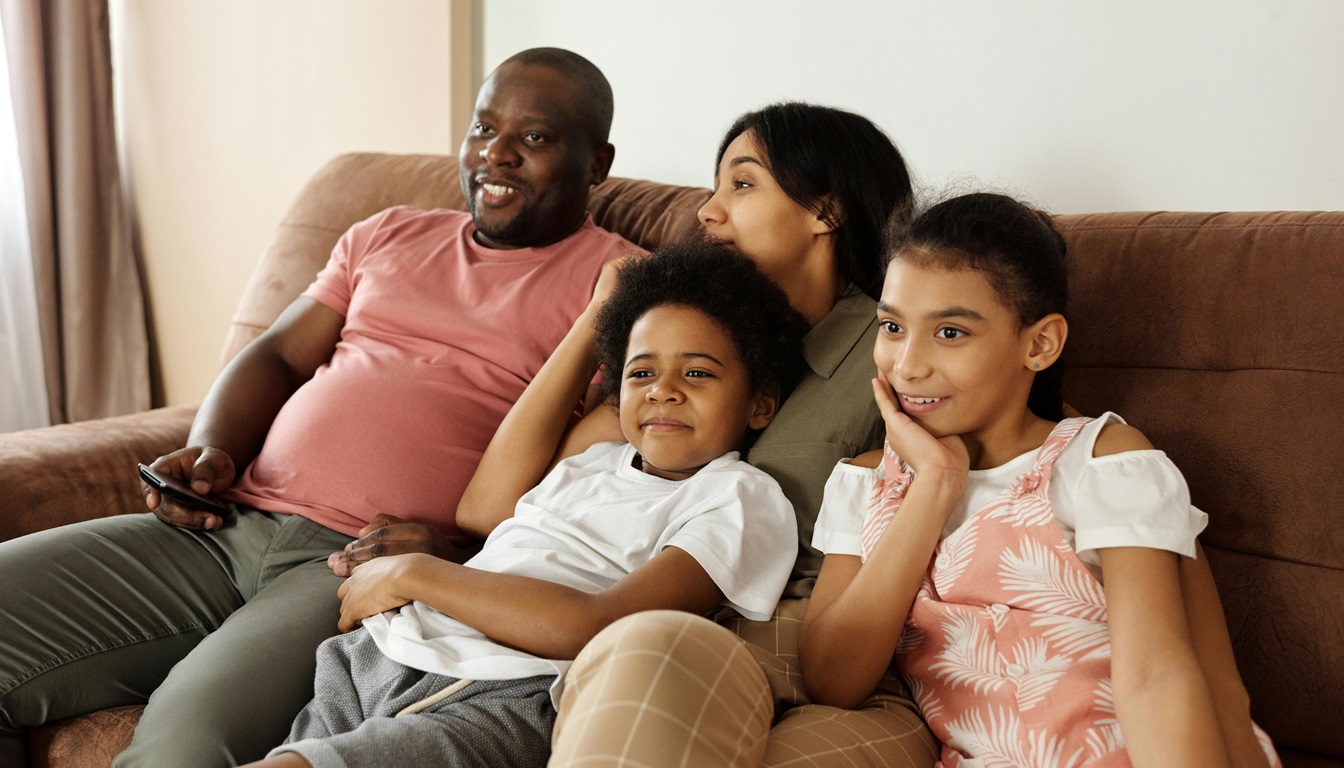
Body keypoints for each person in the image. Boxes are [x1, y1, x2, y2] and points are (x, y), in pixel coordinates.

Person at [0, 47, 640, 767]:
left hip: (352, 568)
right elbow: (276, 354)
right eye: (485, 128)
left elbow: (592, 477)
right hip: (227, 526)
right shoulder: (388, 232)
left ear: (598, 162)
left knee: (183, 743)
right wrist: (215, 449)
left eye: (535, 139)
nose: (497, 155)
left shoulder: (618, 289)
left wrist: (460, 556)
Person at [241, 241, 807, 768]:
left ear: (760, 403)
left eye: (698, 372)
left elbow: (595, 626)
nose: (662, 389)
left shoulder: (739, 496)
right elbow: (483, 511)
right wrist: (598, 314)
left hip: (505, 691)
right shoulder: (593, 460)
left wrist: (414, 574)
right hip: (381, 650)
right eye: (641, 372)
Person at [800, 192, 1281, 767]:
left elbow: (1159, 679)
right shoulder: (865, 483)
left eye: (950, 333)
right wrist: (934, 486)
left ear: (1039, 343)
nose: (906, 365)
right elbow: (833, 680)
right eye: (893, 326)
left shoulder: (1102, 463)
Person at [533, 102, 944, 767]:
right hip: (668, 629)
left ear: (826, 212)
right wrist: (595, 323)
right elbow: (514, 497)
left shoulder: (894, 347)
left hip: (815, 645)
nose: (708, 211)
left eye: (742, 184)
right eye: (716, 186)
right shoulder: (688, 349)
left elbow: (1029, 430)